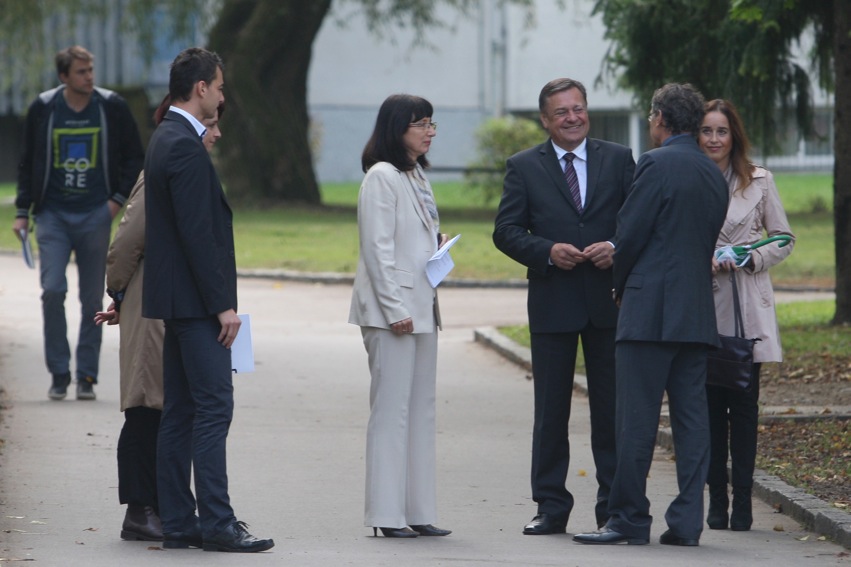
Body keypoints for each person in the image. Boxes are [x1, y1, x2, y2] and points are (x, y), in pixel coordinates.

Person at [573, 83, 728, 546]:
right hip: (696, 312)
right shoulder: (710, 171)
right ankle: (686, 523)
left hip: (649, 310)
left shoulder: (655, 163)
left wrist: (620, 283)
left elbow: (631, 231)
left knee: (635, 420)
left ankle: (628, 520)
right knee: (692, 422)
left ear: (660, 118)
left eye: (649, 115)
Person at [142, 47, 273, 553]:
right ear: (200, 89)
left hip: (177, 302)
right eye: (219, 87)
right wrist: (223, 306)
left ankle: (179, 521)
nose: (221, 95)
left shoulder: (167, 137)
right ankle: (217, 522)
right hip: (198, 307)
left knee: (180, 412)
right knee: (213, 408)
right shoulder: (184, 144)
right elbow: (198, 235)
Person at [493, 78, 635, 535]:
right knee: (550, 412)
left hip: (608, 303)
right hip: (553, 301)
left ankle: (612, 508)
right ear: (544, 120)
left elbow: (638, 219)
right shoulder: (523, 166)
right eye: (561, 112)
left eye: (579, 109)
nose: (572, 118)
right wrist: (546, 251)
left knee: (611, 411)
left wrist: (617, 245)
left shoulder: (618, 158)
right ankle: (551, 507)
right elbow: (506, 230)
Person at [94, 96, 224, 542]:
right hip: (152, 303)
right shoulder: (163, 169)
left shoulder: (184, 169)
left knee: (163, 405)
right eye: (211, 125)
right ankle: (139, 508)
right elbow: (128, 238)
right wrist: (120, 291)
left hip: (168, 302)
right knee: (146, 406)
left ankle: (164, 506)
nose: (218, 134)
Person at [12, 45, 144, 401]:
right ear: (64, 77)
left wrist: (115, 203)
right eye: (82, 72)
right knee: (52, 290)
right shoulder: (44, 108)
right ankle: (58, 372)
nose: (89, 76)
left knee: (92, 299)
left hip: (95, 215)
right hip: (53, 214)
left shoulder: (111, 106)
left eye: (91, 70)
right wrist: (23, 211)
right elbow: (27, 162)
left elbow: (135, 157)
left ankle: (86, 374)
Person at [348, 94, 451, 539]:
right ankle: (386, 516)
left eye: (431, 123)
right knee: (391, 412)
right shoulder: (381, 177)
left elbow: (412, 236)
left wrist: (438, 245)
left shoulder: (416, 176)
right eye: (420, 124)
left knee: (421, 411)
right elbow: (377, 248)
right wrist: (394, 309)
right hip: (394, 311)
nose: (429, 131)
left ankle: (418, 510)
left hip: (423, 307)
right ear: (397, 128)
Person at [699, 99, 795, 531]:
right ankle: (716, 502)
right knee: (707, 412)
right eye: (706, 131)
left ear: (733, 135)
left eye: (722, 131)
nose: (715, 139)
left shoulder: (759, 180)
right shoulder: (690, 178)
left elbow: (785, 237)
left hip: (746, 310)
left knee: (744, 409)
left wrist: (749, 257)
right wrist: (706, 258)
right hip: (702, 308)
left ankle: (743, 504)